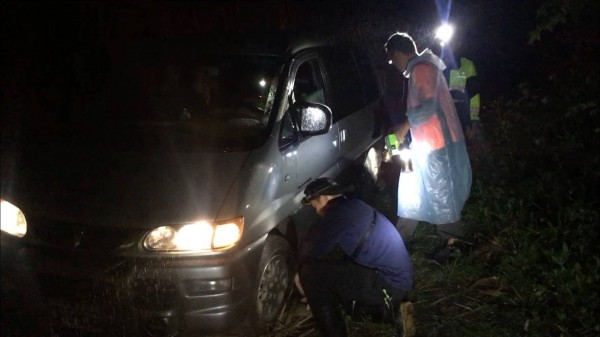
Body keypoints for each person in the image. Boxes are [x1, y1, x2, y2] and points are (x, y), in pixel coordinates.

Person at [296, 177, 415, 337]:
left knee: (310, 274)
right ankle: (392, 313)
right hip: (400, 279)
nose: (316, 211)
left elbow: (309, 251)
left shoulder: (337, 216)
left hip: (390, 285)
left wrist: (299, 277)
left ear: (324, 198)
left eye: (314, 205)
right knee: (335, 272)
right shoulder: (352, 206)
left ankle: (335, 333)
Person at [384, 32, 472, 243]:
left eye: (392, 58)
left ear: (397, 53)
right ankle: (400, 238)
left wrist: (404, 127)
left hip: (438, 144)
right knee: (412, 188)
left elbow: (428, 107)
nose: (393, 63)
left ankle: (454, 244)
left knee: (442, 195)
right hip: (429, 142)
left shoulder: (421, 69)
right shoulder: (423, 67)